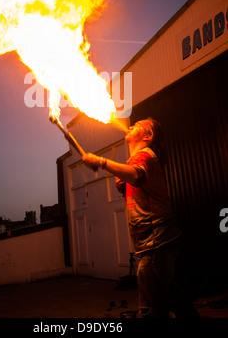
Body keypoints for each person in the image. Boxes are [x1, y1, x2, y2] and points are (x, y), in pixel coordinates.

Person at [82, 117, 199, 318]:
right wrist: (123, 182)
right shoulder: (137, 160)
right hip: (152, 237)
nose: (129, 126)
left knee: (151, 295)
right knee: (167, 290)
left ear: (148, 136)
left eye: (137, 125)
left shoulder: (144, 155)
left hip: (157, 236)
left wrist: (102, 162)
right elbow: (136, 180)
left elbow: (137, 176)